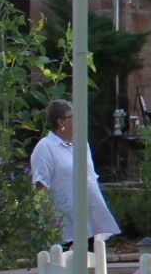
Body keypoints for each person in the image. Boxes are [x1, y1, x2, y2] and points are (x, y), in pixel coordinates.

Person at [30, 99, 119, 245]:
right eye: (74, 117)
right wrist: (48, 223)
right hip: (62, 227)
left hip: (88, 224)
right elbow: (40, 187)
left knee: (90, 264)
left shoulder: (81, 144)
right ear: (61, 122)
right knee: (65, 265)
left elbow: (90, 180)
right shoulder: (45, 148)